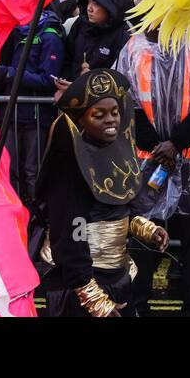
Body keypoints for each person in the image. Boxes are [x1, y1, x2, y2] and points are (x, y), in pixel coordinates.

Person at [116, 28, 190, 317]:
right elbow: (126, 99)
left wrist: (176, 143)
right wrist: (158, 145)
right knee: (145, 235)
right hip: (149, 157)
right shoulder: (134, 47)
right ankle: (139, 303)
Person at [36, 70, 166, 317]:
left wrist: (148, 230)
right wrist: (92, 297)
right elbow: (72, 231)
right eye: (99, 115)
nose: (111, 120)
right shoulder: (69, 165)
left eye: (115, 113)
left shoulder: (117, 152)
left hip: (117, 275)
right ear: (81, 120)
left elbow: (118, 209)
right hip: (82, 282)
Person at [0, 7, 65, 210]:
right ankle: (14, 219)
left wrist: (7, 73)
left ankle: (37, 223)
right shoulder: (16, 29)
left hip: (35, 116)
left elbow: (48, 79)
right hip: (11, 112)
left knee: (32, 172)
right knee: (9, 170)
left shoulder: (50, 34)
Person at [63, 0, 133, 80]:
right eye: (89, 2)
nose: (89, 8)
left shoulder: (123, 36)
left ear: (111, 7)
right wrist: (65, 82)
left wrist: (82, 86)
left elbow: (118, 78)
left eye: (96, 3)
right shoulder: (80, 24)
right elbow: (67, 59)